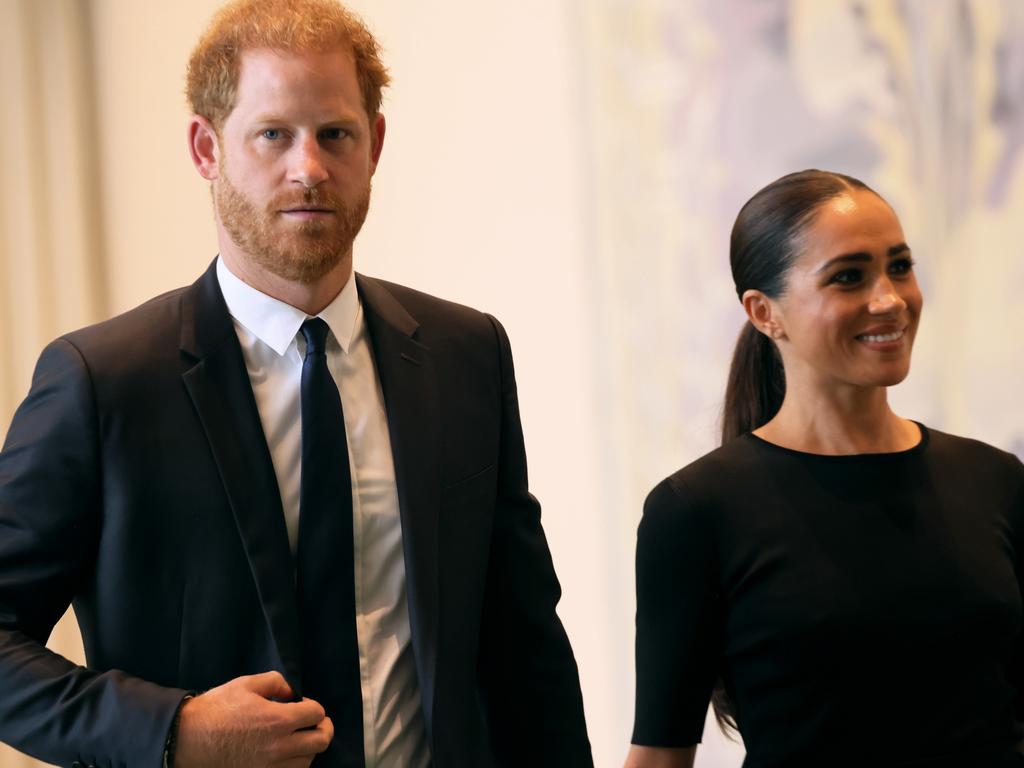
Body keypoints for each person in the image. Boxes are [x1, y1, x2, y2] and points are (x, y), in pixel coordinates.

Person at [0, 1, 592, 766]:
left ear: (374, 145)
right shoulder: (103, 381)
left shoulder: (465, 354)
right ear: (206, 147)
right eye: (273, 133)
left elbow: (525, 649)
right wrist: (173, 731)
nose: (308, 167)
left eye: (335, 134)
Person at [625, 169, 1024, 768]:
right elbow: (660, 755)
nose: (889, 299)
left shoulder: (995, 480)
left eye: (900, 266)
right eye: (848, 277)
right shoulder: (697, 510)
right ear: (765, 313)